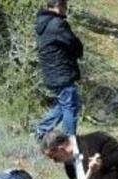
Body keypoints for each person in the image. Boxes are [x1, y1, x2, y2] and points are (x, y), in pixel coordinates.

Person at [35, 0, 84, 145]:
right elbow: (74, 44)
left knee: (65, 104)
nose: (66, 10)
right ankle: (70, 142)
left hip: (51, 72)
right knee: (70, 106)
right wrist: (78, 50)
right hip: (61, 72)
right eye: (65, 7)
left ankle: (41, 130)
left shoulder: (42, 24)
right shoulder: (57, 24)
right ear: (58, 6)